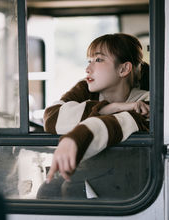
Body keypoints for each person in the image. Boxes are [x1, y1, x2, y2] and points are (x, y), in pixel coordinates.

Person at [40, 33, 150, 197]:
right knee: (47, 190)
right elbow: (51, 117)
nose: (88, 69)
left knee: (70, 190)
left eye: (98, 60)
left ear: (123, 69)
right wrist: (109, 107)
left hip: (130, 182)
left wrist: (77, 138)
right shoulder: (86, 88)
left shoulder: (146, 100)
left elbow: (120, 122)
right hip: (90, 171)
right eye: (89, 61)